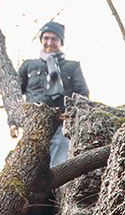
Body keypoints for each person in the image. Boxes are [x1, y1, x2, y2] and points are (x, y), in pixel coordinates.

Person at [14, 19, 89, 168]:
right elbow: (14, 93)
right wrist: (13, 121)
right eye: (45, 38)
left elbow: (82, 94)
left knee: (58, 163)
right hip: (34, 121)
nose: (49, 42)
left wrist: (72, 117)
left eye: (54, 39)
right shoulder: (28, 65)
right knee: (31, 163)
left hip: (61, 123)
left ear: (61, 42)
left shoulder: (72, 66)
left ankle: (56, 190)